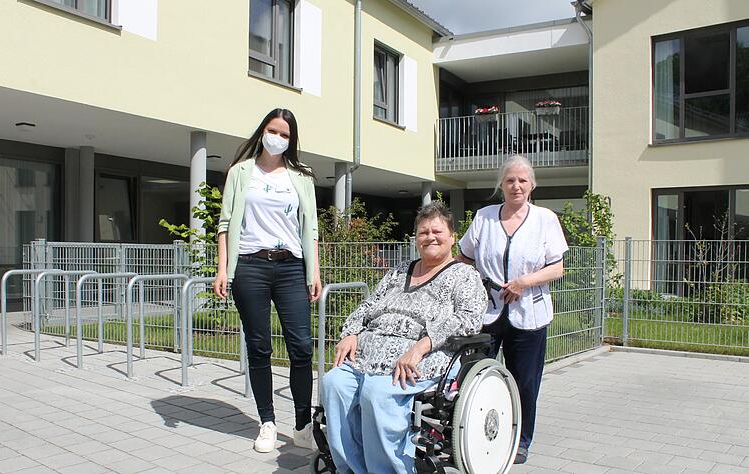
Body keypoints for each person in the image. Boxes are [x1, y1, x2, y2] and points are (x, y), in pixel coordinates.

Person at [321, 202, 487, 474]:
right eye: (423, 232)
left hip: (421, 357)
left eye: (437, 231)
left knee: (377, 393)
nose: (430, 237)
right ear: (416, 238)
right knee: (333, 384)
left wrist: (422, 345)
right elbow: (368, 306)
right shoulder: (398, 272)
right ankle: (350, 468)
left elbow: (468, 320)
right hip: (366, 356)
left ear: (452, 237)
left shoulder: (465, 276)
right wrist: (350, 332)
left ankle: (386, 470)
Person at [212, 108, 322, 453]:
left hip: (291, 268)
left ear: (292, 140)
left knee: (302, 347)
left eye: (285, 134)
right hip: (250, 267)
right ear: (262, 132)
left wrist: (314, 271)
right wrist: (222, 269)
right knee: (259, 347)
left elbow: (311, 228)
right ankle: (267, 423)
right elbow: (225, 224)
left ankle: (303, 426)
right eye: (273, 131)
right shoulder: (241, 172)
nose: (278, 138)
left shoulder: (301, 176)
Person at [457, 155, 568, 464]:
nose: (516, 185)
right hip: (487, 313)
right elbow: (464, 256)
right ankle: (473, 433)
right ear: (501, 185)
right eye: (510, 180)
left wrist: (524, 282)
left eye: (522, 180)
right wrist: (478, 281)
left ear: (532, 185)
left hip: (529, 314)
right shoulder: (484, 217)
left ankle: (520, 439)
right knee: (475, 376)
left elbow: (557, 268)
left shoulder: (545, 219)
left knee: (525, 381)